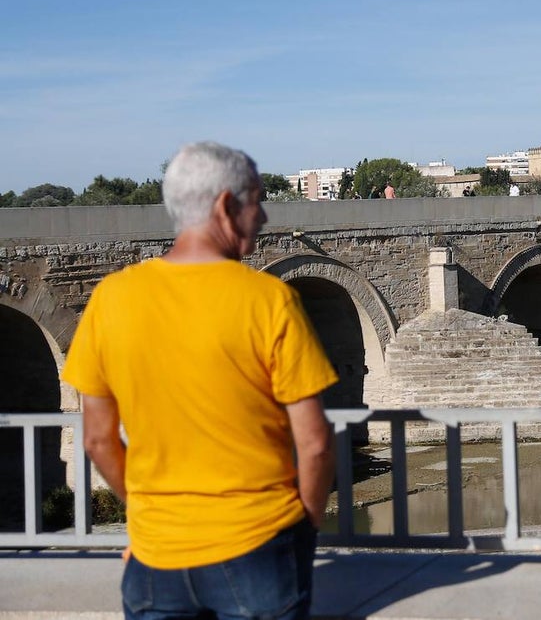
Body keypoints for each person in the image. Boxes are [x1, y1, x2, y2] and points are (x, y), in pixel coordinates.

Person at [62, 141, 338, 620]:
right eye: (258, 200)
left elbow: (98, 441)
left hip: (154, 561)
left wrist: (153, 515)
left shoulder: (111, 299)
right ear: (226, 206)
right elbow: (314, 443)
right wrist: (306, 529)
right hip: (258, 547)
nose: (266, 216)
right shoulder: (268, 301)